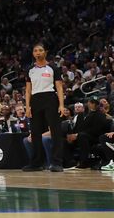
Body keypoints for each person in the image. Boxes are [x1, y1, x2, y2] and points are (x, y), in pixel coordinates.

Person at [23, 42, 66, 172]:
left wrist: (61, 105)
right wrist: (27, 107)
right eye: (35, 50)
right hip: (35, 100)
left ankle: (57, 163)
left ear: (45, 52)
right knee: (35, 132)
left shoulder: (53, 67)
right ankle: (37, 163)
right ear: (33, 53)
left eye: (40, 50)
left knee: (55, 131)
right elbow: (28, 90)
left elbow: (59, 87)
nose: (38, 52)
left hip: (50, 99)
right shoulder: (30, 69)